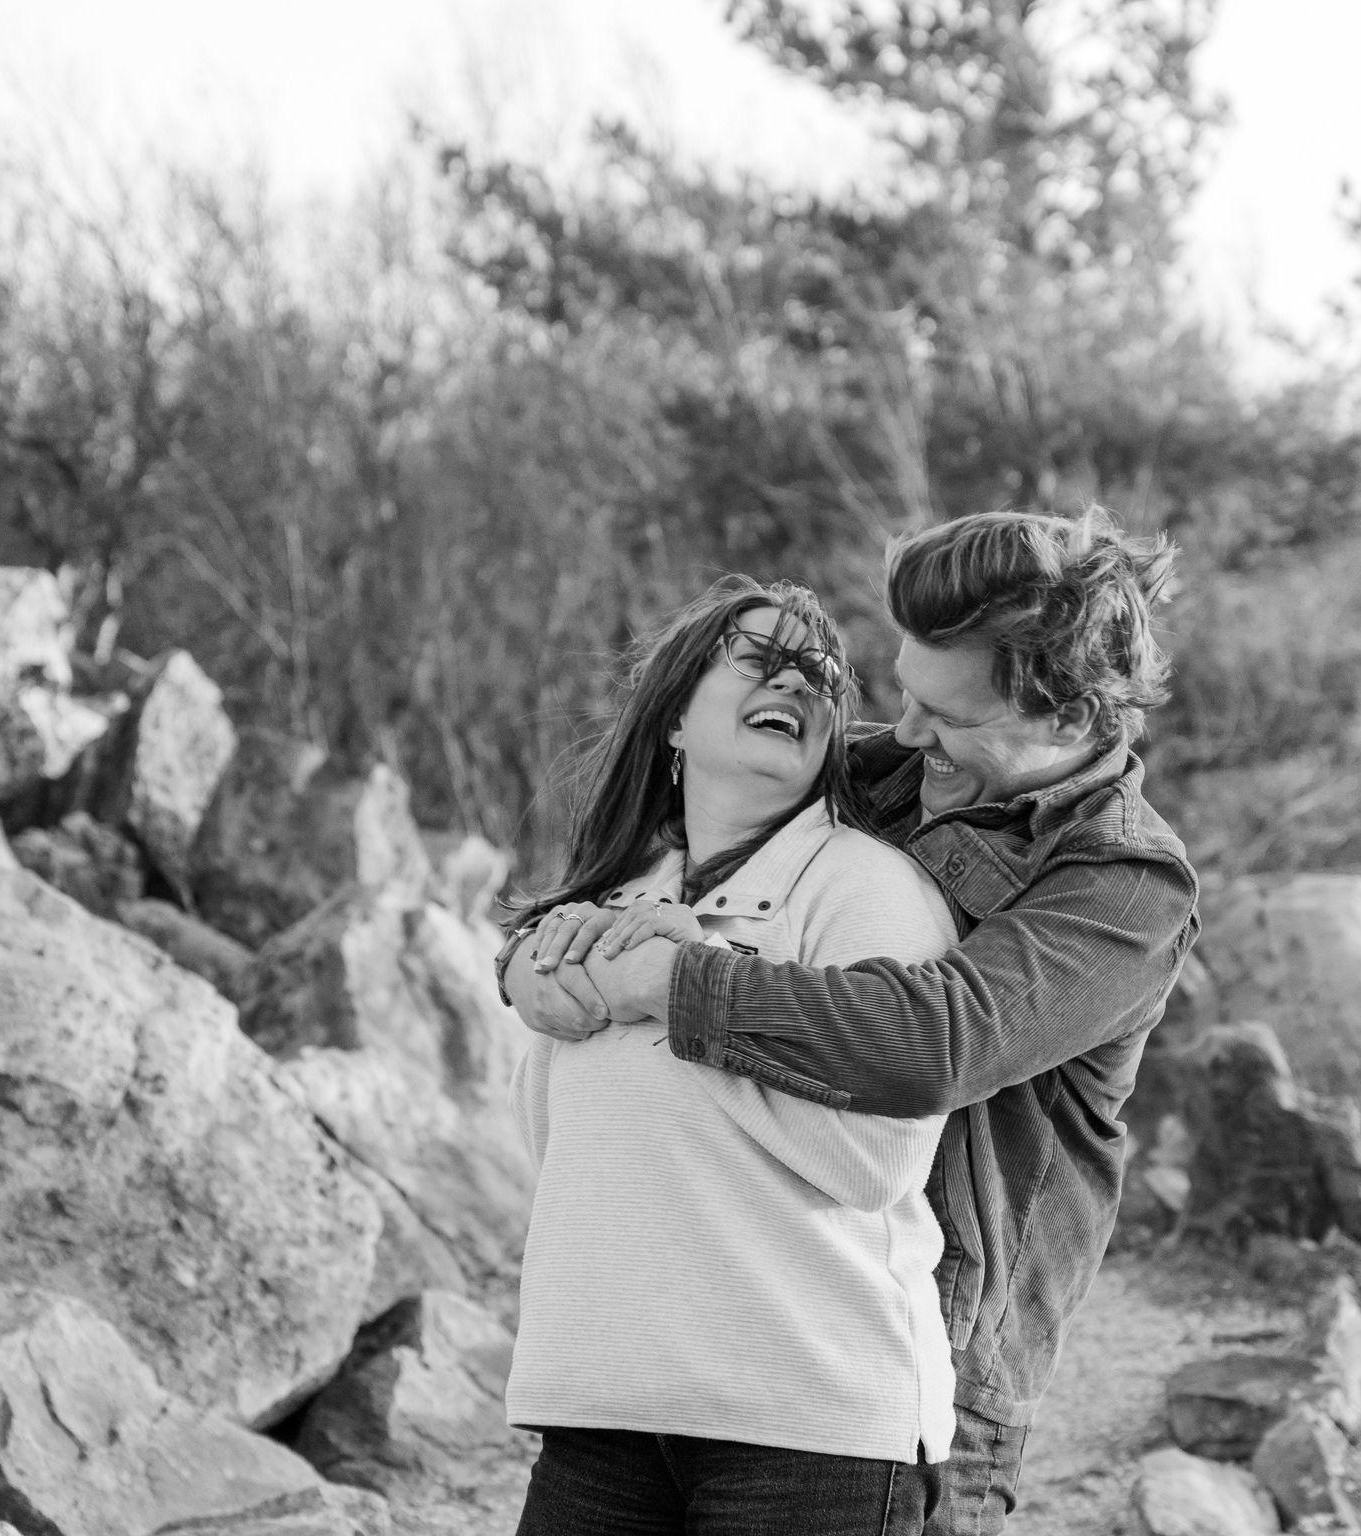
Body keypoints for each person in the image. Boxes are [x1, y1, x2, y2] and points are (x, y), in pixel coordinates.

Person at [505, 508, 1201, 1535]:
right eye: (902, 695)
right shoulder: (890, 771)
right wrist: (535, 958)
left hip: (939, 1356)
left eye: (946, 718)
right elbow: (662, 861)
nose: (905, 736)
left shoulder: (1124, 882)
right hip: (718, 1321)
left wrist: (671, 979)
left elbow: (936, 1040)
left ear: (1066, 720)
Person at [502, 576, 963, 1536]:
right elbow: (554, 1148)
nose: (798, 683)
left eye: (823, 678)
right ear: (673, 716)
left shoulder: (868, 893)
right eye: (762, 660)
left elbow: (873, 1160)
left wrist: (688, 988)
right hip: (604, 1412)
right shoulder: (605, 911)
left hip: (809, 1426)